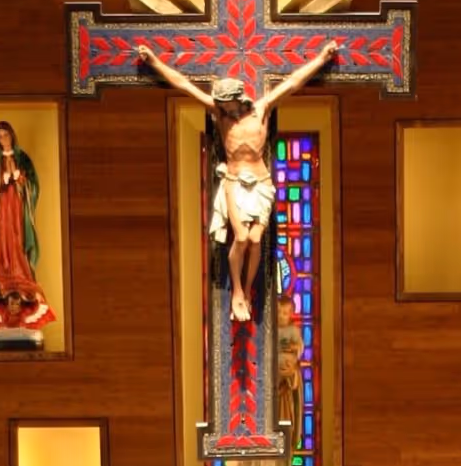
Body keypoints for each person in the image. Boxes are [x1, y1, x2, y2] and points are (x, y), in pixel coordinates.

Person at [137, 41, 336, 321]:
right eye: (219, 103)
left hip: (261, 181)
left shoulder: (261, 108)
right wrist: (155, 62)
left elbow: (293, 83)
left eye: (225, 102)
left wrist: (321, 59)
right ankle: (237, 292)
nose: (221, 106)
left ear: (237, 97)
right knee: (241, 237)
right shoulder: (220, 115)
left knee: (255, 239)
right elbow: (184, 85)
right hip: (233, 181)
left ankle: (248, 288)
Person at [0, 119, 55, 335]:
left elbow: (33, 186)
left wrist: (21, 180)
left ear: (12, 135)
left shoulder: (23, 158)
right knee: (2, 241)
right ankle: (3, 273)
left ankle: (20, 274)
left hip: (17, 211)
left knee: (17, 241)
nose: (3, 139)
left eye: (6, 135)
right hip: (0, 212)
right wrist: (1, 180)